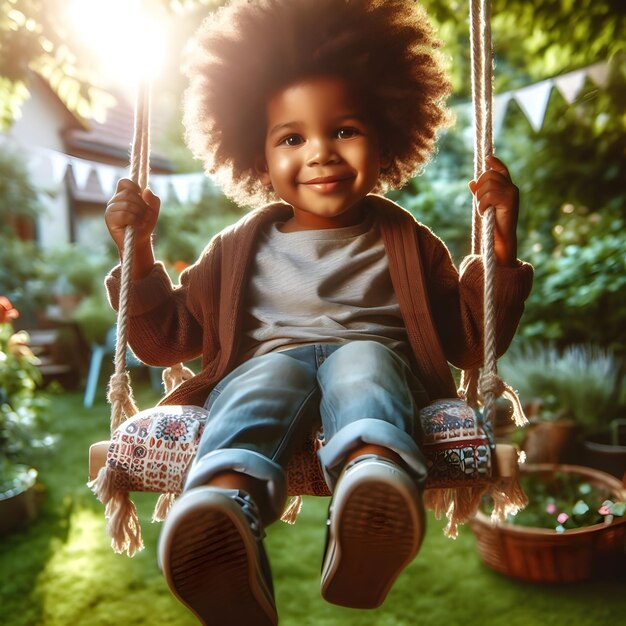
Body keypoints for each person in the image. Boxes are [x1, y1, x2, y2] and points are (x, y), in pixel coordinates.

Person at [104, 1, 533, 624]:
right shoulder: (233, 250)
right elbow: (166, 338)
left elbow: (469, 341)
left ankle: (372, 493)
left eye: (345, 130)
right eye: (292, 137)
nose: (320, 153)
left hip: (375, 372)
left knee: (362, 362)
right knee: (259, 381)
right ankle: (221, 514)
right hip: (267, 369)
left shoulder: (410, 243)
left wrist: (500, 246)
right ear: (258, 154)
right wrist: (139, 250)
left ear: (386, 136)